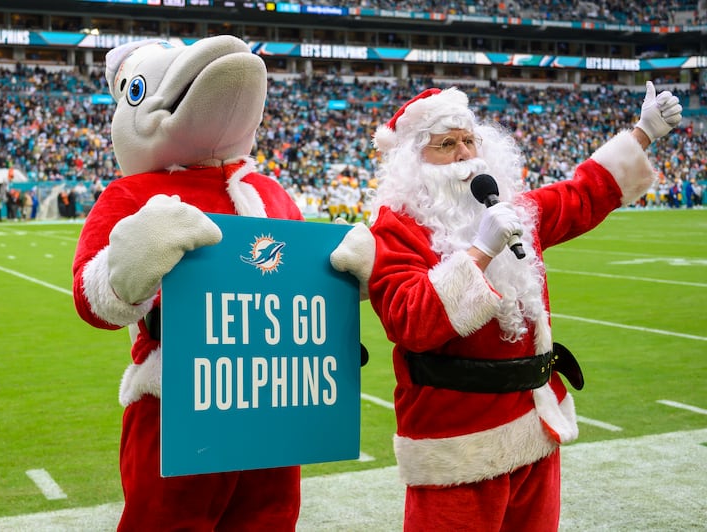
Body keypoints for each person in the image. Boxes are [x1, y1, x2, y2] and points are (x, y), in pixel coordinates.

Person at [71, 36, 372, 530]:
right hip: (178, 398)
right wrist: (134, 258)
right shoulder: (130, 193)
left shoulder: (269, 191)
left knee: (269, 518)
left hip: (276, 395)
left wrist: (350, 274)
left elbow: (307, 275)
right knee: (167, 519)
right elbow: (93, 297)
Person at [365, 82, 681, 531]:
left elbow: (582, 195)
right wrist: (479, 252)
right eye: (446, 144)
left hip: (535, 425)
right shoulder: (396, 228)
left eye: (469, 139)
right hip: (457, 442)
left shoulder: (511, 209)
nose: (463, 153)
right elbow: (408, 320)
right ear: (414, 161)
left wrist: (644, 131)